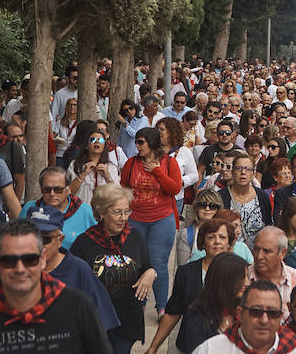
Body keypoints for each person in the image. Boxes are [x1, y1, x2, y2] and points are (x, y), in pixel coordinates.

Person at [0, 219, 112, 353]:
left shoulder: (78, 307)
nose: (20, 268)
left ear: (42, 260)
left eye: (30, 260)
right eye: (9, 260)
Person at [70, 183, 156, 354]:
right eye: (117, 212)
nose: (123, 218)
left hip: (127, 321)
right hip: (96, 321)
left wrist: (150, 273)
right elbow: (73, 282)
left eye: (126, 211)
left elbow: (148, 266)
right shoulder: (84, 243)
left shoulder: (135, 237)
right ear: (101, 213)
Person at [146, 217, 237, 354]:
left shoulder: (239, 272)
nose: (217, 241)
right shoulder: (186, 272)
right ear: (203, 242)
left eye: (222, 237)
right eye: (211, 237)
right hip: (190, 346)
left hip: (228, 346)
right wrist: (153, 348)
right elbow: (173, 313)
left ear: (229, 242)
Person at [25, 204, 120, 331]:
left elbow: (102, 322)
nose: (39, 245)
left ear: (60, 240)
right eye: (32, 238)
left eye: (45, 239)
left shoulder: (79, 270)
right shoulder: (15, 268)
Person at [119, 126, 181, 317]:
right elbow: (124, 186)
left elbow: (175, 189)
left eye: (140, 142)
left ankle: (162, 307)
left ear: (152, 143)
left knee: (158, 262)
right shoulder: (131, 163)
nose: (137, 146)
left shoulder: (169, 163)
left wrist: (157, 172)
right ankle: (140, 302)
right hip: (135, 219)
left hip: (162, 219)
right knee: (136, 263)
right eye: (136, 142)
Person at [192, 280, 296, 354]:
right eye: (256, 311)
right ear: (240, 313)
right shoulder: (211, 350)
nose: (264, 320)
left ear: (280, 317)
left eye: (272, 313)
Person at [176, 253, 251, 354]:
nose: (247, 283)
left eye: (247, 276)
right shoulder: (198, 314)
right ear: (224, 279)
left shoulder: (247, 312)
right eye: (242, 277)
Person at [19, 166, 94, 249]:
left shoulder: (85, 211)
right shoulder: (30, 208)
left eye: (58, 190)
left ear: (68, 189)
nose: (52, 194)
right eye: (46, 190)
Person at [220, 152, 272, 249]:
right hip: (230, 253)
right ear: (233, 172)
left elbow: (268, 225)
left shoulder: (262, 196)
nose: (243, 172)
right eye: (239, 168)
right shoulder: (222, 196)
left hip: (257, 254)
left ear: (253, 173)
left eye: (248, 169)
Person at [157, 117, 199, 214]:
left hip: (175, 199)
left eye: (162, 129)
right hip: (155, 197)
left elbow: (194, 175)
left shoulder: (184, 152)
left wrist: (181, 181)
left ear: (172, 132)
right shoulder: (153, 151)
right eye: (158, 129)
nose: (159, 132)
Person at [69, 128, 120, 204]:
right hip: (81, 210)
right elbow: (69, 192)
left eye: (100, 140)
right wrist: (82, 175)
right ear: (86, 145)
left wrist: (107, 176)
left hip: (103, 212)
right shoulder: (75, 164)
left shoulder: (110, 166)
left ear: (104, 146)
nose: (96, 142)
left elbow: (117, 194)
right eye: (92, 140)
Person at [175, 188, 223, 265]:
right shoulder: (186, 234)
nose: (207, 209)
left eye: (212, 206)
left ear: (218, 209)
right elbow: (183, 268)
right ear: (196, 208)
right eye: (202, 205)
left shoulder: (225, 233)